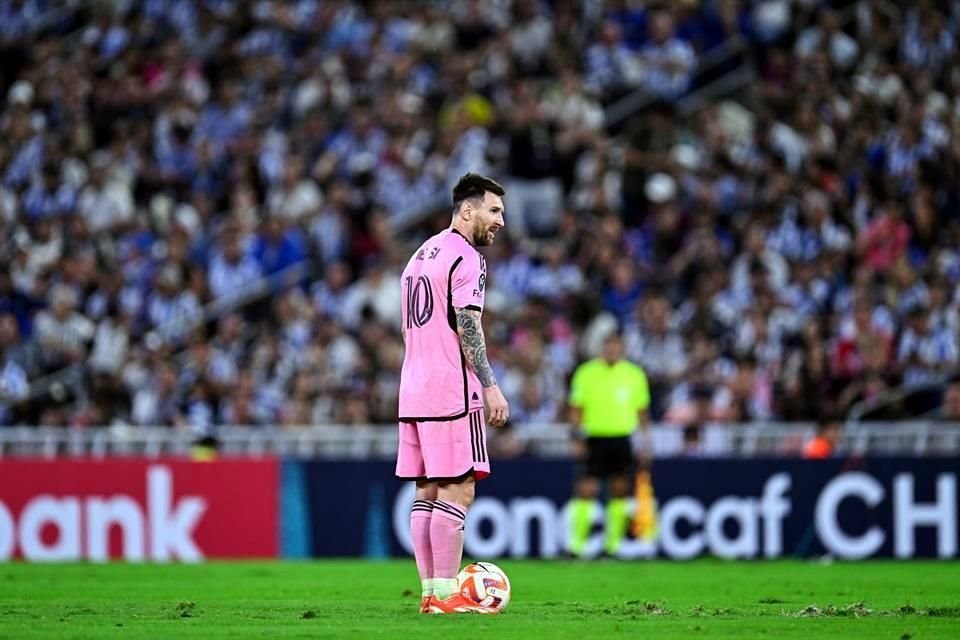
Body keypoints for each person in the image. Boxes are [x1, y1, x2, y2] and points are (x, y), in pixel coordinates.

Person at [396, 173, 510, 614]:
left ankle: (431, 595)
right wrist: (490, 384)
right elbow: (468, 325)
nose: (500, 221)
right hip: (451, 390)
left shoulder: (420, 255)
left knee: (426, 491)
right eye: (494, 210)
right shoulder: (467, 257)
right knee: (458, 490)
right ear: (468, 210)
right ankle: (446, 595)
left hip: (412, 389)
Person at [567, 331, 650, 558]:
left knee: (620, 488)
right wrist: (576, 437)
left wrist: (645, 442)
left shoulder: (634, 375)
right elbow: (576, 408)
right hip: (594, 437)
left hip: (622, 438)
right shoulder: (586, 373)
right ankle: (576, 547)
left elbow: (642, 412)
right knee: (587, 489)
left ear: (622, 349)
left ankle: (612, 547)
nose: (612, 351)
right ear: (602, 348)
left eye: (616, 347)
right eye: (609, 347)